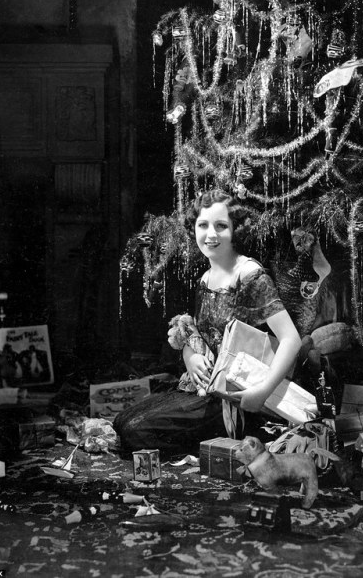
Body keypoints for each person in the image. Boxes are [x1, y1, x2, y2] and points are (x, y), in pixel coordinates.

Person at [114, 189, 301, 456]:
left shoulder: (249, 275)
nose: (210, 234)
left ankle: (222, 446)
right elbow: (200, 335)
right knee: (123, 421)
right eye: (203, 225)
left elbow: (291, 339)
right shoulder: (206, 277)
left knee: (135, 430)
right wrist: (190, 357)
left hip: (236, 399)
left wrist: (262, 391)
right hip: (206, 388)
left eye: (221, 226)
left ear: (235, 230)